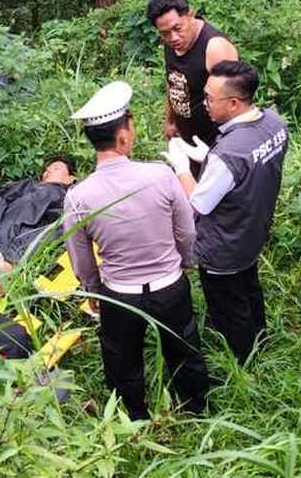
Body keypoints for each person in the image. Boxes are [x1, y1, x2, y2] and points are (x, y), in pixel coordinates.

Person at [63, 80, 210, 420]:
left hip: (119, 295)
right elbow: (186, 231)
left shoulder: (78, 197)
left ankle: (134, 417)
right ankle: (196, 409)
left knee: (121, 359)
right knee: (184, 349)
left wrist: (92, 291)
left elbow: (81, 258)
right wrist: (185, 263)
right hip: (169, 287)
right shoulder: (160, 175)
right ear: (124, 136)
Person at [163, 61, 289, 365]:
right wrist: (206, 156)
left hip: (224, 245)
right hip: (252, 232)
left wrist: (181, 167)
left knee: (229, 307)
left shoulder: (228, 154)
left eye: (209, 98)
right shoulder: (274, 123)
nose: (203, 104)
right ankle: (261, 336)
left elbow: (197, 203)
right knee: (249, 288)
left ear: (234, 103)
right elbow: (249, 170)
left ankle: (244, 363)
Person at [147, 0, 239, 166]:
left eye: (177, 28)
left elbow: (235, 102)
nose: (173, 38)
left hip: (215, 144)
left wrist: (225, 150)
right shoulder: (172, 43)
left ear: (190, 15)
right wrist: (170, 121)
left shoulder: (215, 48)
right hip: (186, 137)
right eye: (164, 33)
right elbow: (174, 82)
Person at [0, 157, 77, 262]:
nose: (49, 170)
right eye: (47, 169)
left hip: (17, 247)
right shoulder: (24, 186)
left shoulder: (69, 197)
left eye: (56, 168)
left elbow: (59, 228)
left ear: (70, 179)